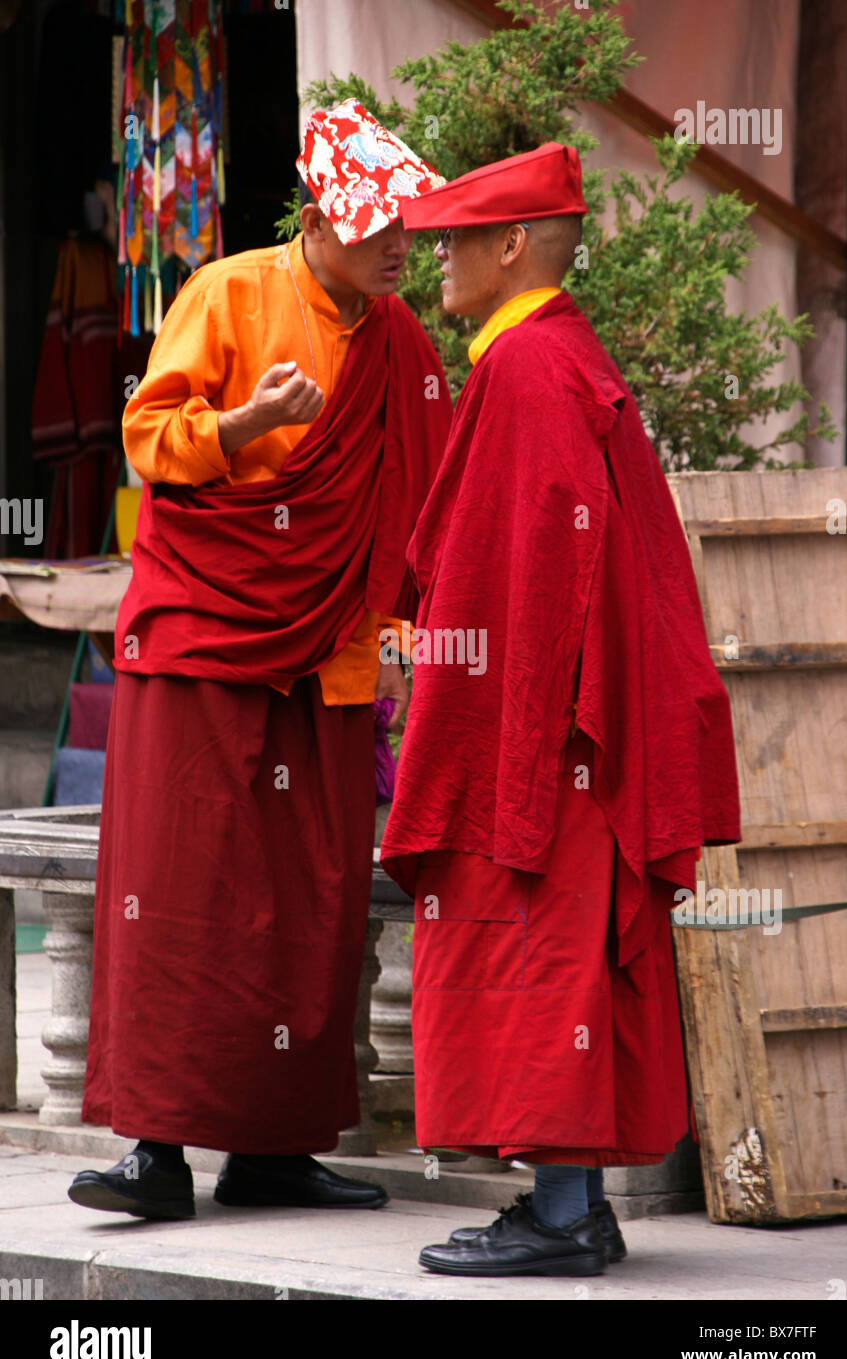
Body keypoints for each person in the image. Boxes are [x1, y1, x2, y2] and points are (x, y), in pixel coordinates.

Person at [68, 99, 451, 1221]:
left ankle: (277, 1146)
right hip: (202, 650)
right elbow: (148, 437)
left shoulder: (404, 348)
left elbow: (426, 510)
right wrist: (236, 429)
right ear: (320, 218)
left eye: (408, 227)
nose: (399, 245)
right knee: (178, 893)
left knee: (312, 908)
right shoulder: (229, 293)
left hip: (328, 667)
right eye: (379, 223)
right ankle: (153, 1148)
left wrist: (410, 637)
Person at [379, 142, 741, 1277]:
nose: (435, 256)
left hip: (542, 732)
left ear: (513, 245)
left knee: (540, 950)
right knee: (560, 958)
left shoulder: (529, 370)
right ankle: (568, 1204)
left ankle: (563, 1212)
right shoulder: (546, 356)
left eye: (454, 239)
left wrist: (492, 733)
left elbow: (534, 580)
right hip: (565, 720)